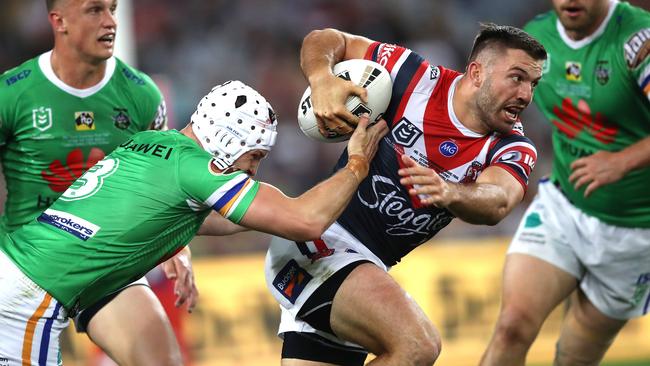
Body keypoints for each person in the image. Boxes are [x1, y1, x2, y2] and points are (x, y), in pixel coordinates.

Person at [0, 80, 388, 366]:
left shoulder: (157, 145)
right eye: (253, 157)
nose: (252, 170)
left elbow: (205, 219)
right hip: (30, 299)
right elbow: (306, 222)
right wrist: (357, 165)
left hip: (17, 272)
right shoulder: (196, 169)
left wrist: (272, 216)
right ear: (226, 139)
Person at [263, 24, 545, 366]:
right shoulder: (412, 77)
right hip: (322, 243)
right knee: (418, 344)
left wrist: (449, 191)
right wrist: (322, 78)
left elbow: (499, 199)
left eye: (533, 83)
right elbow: (324, 38)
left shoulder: (513, 146)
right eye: (516, 78)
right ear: (476, 72)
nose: (526, 94)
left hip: (360, 272)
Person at [0, 0, 197, 365]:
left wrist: (177, 249)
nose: (110, 22)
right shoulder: (11, 94)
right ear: (59, 21)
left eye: (112, 9)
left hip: (102, 263)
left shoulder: (142, 95)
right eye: (94, 10)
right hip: (27, 267)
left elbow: (163, 185)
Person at [480, 1, 650, 365]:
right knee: (511, 326)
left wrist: (621, 161)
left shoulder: (638, 40)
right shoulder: (536, 39)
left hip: (637, 230)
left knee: (574, 356)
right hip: (564, 208)